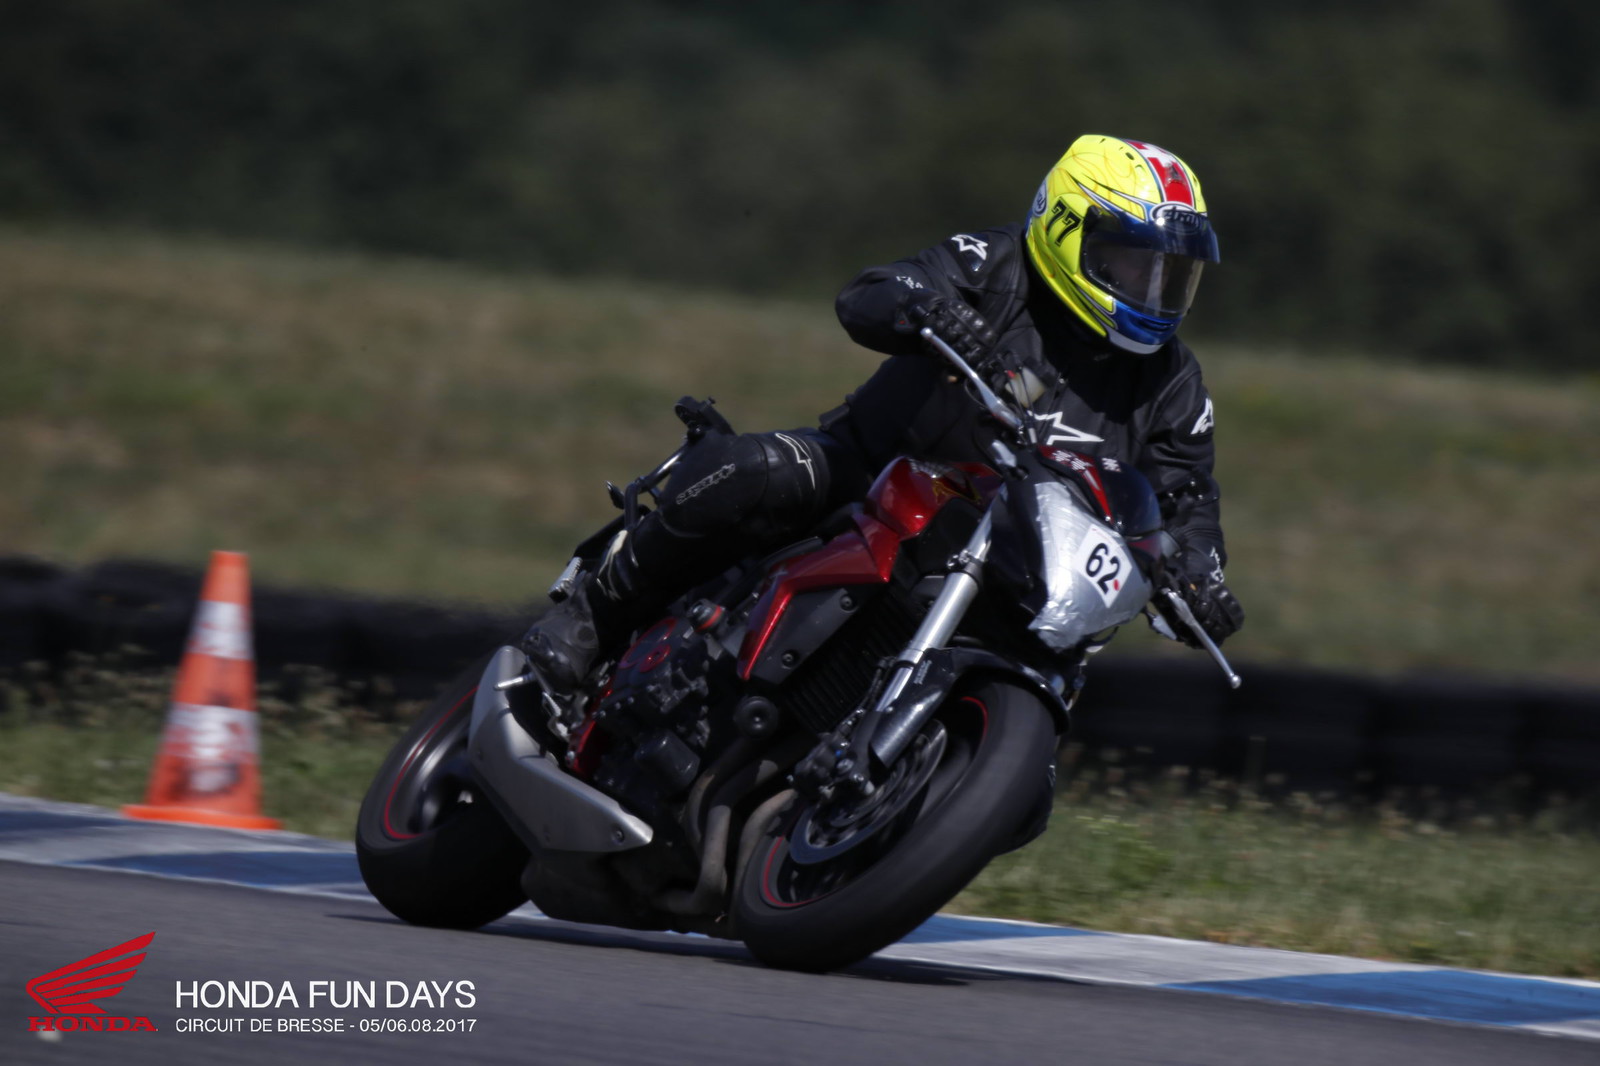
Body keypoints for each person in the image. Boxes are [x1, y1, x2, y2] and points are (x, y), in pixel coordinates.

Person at [523, 133, 1244, 692]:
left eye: (1171, 274)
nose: (1153, 291)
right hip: (872, 473)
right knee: (756, 469)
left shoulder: (1173, 380)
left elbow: (1188, 496)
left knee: (1046, 727)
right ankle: (595, 615)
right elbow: (870, 291)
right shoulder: (996, 266)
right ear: (1064, 228)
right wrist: (927, 309)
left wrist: (1200, 576)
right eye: (1132, 263)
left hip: (1014, 560)